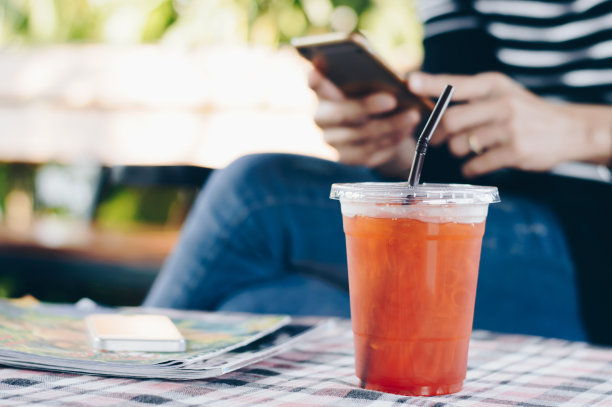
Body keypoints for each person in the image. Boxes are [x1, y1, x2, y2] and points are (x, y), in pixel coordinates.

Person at [145, 0, 612, 344]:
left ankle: (114, 363)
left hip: (594, 246)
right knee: (262, 309)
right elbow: (456, 139)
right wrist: (392, 144)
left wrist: (586, 132)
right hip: (499, 216)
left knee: (259, 197)